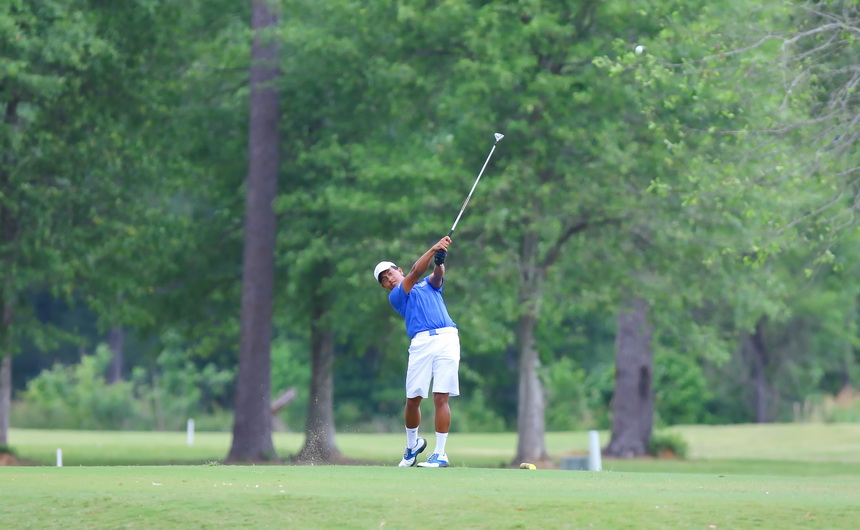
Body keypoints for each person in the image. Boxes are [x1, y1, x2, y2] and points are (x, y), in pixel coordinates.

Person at [373, 236, 459, 468]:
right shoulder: (398, 295)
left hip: (447, 337)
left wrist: (439, 261)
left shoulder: (428, 285)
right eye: (384, 280)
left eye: (390, 273)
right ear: (384, 287)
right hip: (421, 344)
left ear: (396, 270)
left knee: (441, 397)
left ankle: (440, 454)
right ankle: (412, 446)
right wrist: (433, 249)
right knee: (413, 399)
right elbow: (414, 272)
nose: (389, 279)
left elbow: (437, 276)